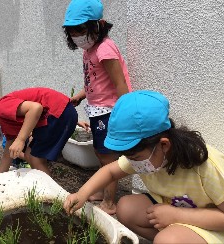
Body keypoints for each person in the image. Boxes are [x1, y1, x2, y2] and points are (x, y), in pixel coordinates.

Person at [64, 90, 224, 243]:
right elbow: (110, 171)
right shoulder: (148, 155)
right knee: (126, 208)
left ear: (164, 145)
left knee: (167, 240)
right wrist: (81, 194)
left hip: (221, 230)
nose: (131, 163)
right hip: (180, 213)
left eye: (134, 157)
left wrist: (176, 216)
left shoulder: (205, 165)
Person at [62, 0, 132, 214]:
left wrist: (124, 112)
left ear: (98, 25)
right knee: (100, 152)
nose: (77, 35)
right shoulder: (90, 49)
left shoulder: (105, 49)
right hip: (97, 109)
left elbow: (119, 82)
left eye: (81, 29)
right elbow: (96, 80)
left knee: (107, 156)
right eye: (72, 31)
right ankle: (102, 192)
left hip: (109, 110)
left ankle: (109, 202)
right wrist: (82, 96)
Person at [0, 87, 78, 175]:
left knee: (35, 158)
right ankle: (47, 188)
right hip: (58, 114)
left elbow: (35, 108)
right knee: (31, 156)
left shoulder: (0, 108)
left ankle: (52, 196)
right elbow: (7, 153)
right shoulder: (5, 122)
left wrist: (20, 139)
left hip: (58, 114)